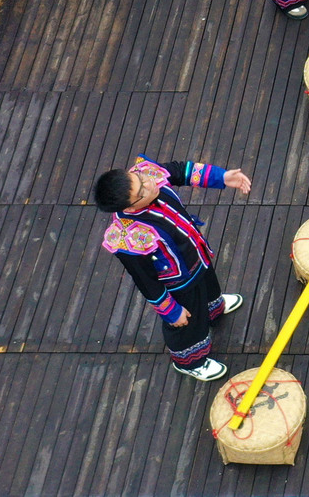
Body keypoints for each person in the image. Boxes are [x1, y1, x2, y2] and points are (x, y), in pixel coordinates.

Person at [94, 155, 254, 381]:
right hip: (178, 283)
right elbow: (145, 281)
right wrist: (170, 310)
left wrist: (222, 177)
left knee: (209, 285)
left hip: (197, 254)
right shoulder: (127, 237)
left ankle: (213, 308)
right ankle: (189, 362)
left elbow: (181, 171)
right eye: (141, 192)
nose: (149, 184)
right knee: (186, 322)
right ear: (127, 207)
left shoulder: (146, 175)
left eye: (141, 179)